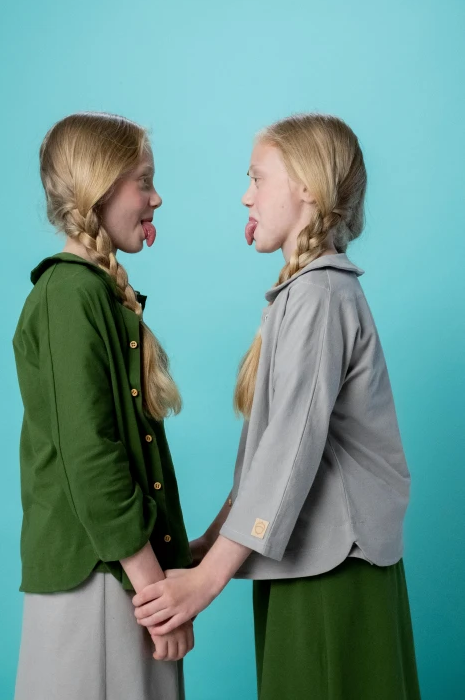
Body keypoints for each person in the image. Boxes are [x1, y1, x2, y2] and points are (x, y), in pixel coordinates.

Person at [132, 113, 421, 699]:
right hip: (303, 559)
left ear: (307, 187)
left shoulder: (320, 294)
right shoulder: (306, 293)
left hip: (334, 566)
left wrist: (207, 582)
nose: (246, 195)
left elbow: (289, 454)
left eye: (257, 178)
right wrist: (209, 548)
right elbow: (266, 456)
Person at [12, 112, 193, 700]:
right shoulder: (69, 294)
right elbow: (92, 458)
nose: (156, 197)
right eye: (144, 180)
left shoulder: (92, 291)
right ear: (101, 186)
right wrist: (152, 591)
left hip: (119, 575)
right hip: (99, 578)